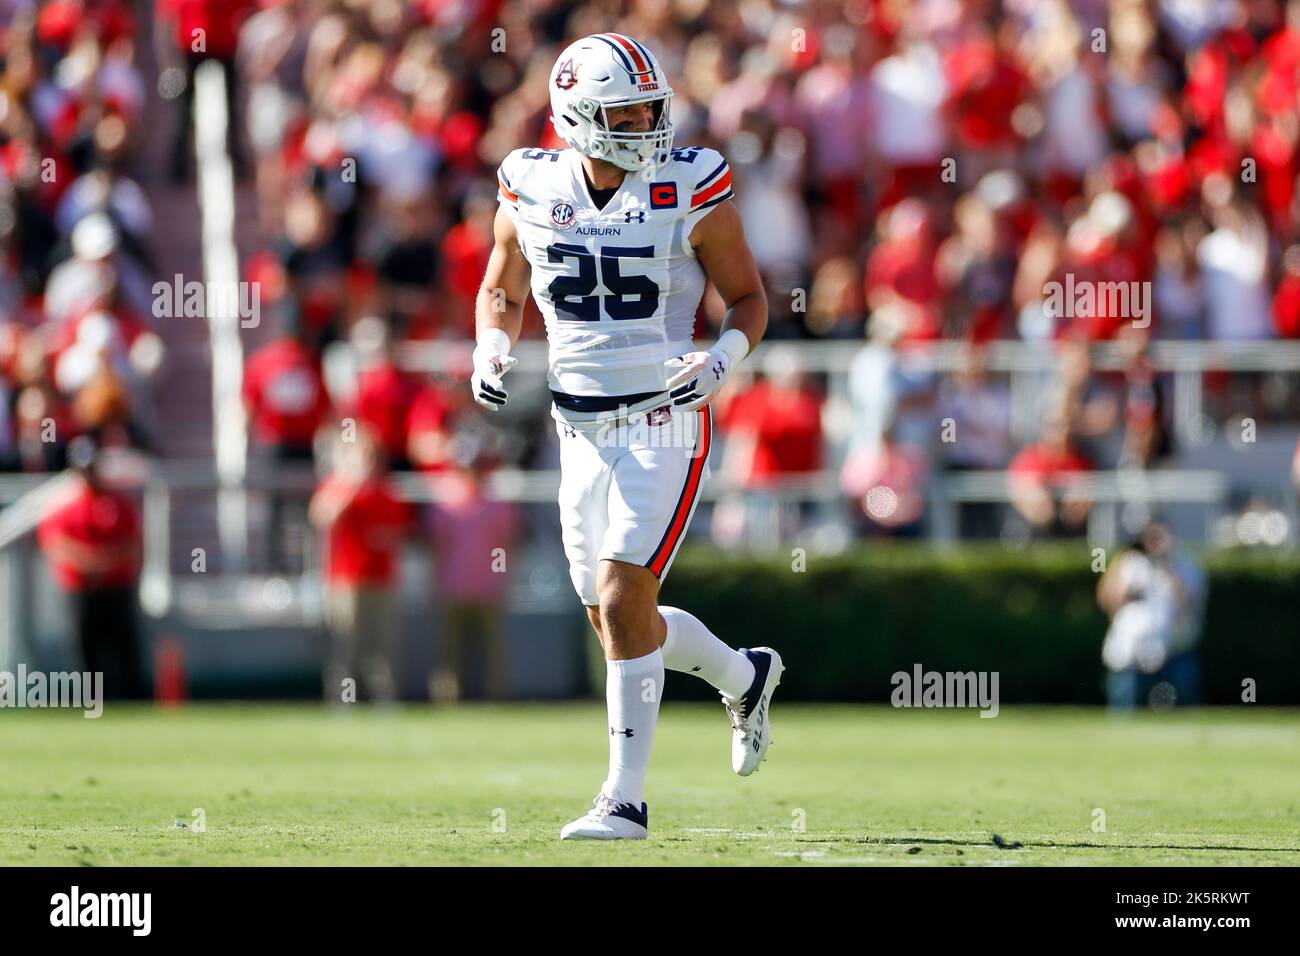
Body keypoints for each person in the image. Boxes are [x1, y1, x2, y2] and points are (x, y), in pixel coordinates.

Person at [471, 34, 782, 841]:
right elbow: (501, 288)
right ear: (576, 117)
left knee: (622, 593)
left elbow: (749, 298)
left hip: (664, 417)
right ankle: (744, 676)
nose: (647, 123)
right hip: (576, 427)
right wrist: (492, 346)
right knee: (617, 621)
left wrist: (722, 359)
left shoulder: (688, 185)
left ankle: (625, 799)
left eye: (651, 106)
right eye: (627, 111)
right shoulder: (530, 184)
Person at [36, 437, 145, 699]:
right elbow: (57, 545)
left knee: (123, 645)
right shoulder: (67, 508)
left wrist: (103, 564)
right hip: (83, 589)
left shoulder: (116, 505)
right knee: (86, 647)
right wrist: (93, 563)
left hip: (116, 587)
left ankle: (130, 697)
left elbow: (132, 543)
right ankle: (92, 699)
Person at [309, 429, 409, 705]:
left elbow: (400, 530)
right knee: (346, 642)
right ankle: (343, 698)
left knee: (382, 643)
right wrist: (352, 484)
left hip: (381, 577)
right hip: (345, 578)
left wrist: (386, 536)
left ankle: (384, 698)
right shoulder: (337, 486)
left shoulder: (386, 490)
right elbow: (322, 517)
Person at [427, 437, 520, 702]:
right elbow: (437, 547)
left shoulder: (496, 502)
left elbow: (507, 543)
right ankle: (447, 698)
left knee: (492, 647)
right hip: (453, 585)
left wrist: (502, 579)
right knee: (450, 649)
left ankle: (497, 694)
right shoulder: (445, 501)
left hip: (487, 587)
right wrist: (435, 581)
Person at [1097, 522, 1206, 709]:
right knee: (1126, 703)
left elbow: (1190, 602)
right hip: (1130, 652)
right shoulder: (1129, 562)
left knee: (1181, 704)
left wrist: (1168, 568)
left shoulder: (1185, 564)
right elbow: (1107, 598)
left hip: (1174, 650)